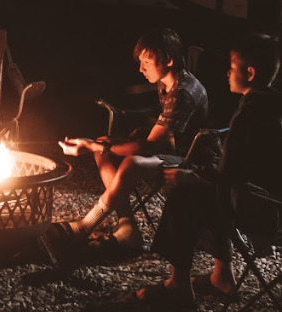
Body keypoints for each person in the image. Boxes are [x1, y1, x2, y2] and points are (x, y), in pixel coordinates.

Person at [135, 31, 282, 310]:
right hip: (273, 204)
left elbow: (226, 176)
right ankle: (221, 275)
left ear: (249, 73)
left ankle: (178, 285)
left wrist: (187, 175)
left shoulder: (250, 112)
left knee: (184, 191)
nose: (227, 72)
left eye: (232, 67)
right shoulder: (273, 104)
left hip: (263, 210)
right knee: (205, 190)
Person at [50, 28, 208, 259]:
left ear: (169, 59)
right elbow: (162, 132)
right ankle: (128, 227)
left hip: (190, 159)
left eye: (146, 61)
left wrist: (92, 146)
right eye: (140, 61)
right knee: (103, 147)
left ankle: (85, 226)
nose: (141, 68)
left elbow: (148, 147)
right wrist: (102, 144)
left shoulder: (183, 92)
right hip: (171, 148)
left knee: (130, 161)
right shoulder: (167, 83)